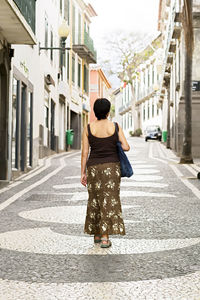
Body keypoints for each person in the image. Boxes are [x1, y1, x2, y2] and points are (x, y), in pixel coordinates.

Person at [81, 98, 130, 248]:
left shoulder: (89, 128)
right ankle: (105, 238)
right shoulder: (115, 126)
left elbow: (84, 152)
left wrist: (83, 173)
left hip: (94, 167)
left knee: (94, 199)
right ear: (108, 112)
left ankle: (96, 235)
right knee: (109, 200)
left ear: (95, 111)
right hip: (112, 167)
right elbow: (126, 147)